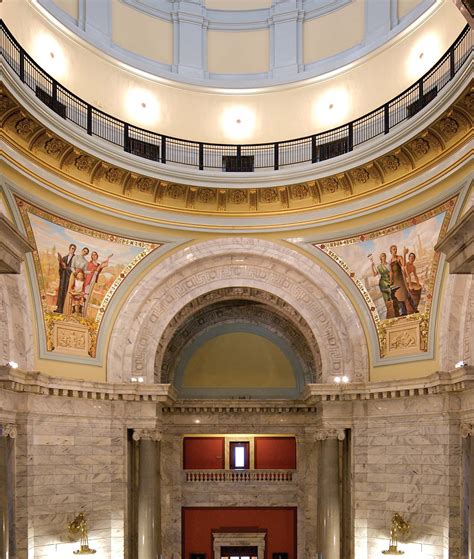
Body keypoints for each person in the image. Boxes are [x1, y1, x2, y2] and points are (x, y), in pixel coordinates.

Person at [82, 252, 113, 316]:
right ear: (91, 256)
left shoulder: (98, 264)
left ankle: (84, 311)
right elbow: (88, 271)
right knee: (85, 294)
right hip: (88, 280)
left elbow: (106, 264)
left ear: (97, 256)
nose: (94, 256)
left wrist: (108, 258)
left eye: (95, 255)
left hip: (93, 280)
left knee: (89, 295)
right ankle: (82, 309)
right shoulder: (89, 263)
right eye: (93, 255)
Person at [389, 245, 414, 315]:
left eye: (396, 249)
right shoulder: (390, 261)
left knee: (405, 294)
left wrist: (404, 254)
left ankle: (413, 308)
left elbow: (403, 265)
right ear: (391, 251)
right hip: (395, 281)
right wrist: (390, 281)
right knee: (398, 296)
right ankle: (403, 312)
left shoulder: (399, 257)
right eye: (394, 249)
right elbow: (391, 272)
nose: (395, 250)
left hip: (400, 279)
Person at [369, 252, 393, 318]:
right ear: (380, 258)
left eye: (384, 256)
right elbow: (374, 274)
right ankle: (389, 312)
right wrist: (372, 266)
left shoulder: (388, 265)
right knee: (385, 298)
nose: (384, 257)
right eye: (382, 256)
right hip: (382, 283)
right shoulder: (379, 266)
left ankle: (392, 311)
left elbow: (391, 273)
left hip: (388, 282)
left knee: (390, 296)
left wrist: (391, 280)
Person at [55, 243, 76, 313]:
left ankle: (64, 309)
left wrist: (66, 268)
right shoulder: (64, 257)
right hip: (63, 277)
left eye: (74, 249)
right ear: (69, 248)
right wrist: (60, 263)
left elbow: (74, 269)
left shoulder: (75, 259)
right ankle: (59, 308)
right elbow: (61, 268)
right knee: (61, 292)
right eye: (72, 248)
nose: (72, 250)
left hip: (69, 278)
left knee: (66, 293)